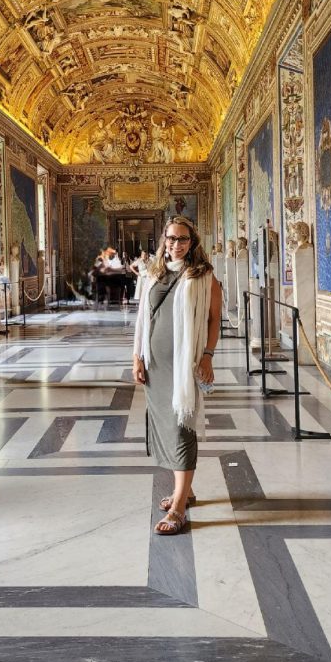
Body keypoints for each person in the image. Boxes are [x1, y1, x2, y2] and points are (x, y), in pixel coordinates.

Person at [132, 217, 222, 535]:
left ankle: (180, 506)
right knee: (167, 427)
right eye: (171, 239)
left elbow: (214, 321)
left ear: (192, 242)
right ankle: (187, 490)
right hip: (155, 364)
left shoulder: (203, 276)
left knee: (182, 425)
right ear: (163, 240)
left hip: (185, 365)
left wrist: (208, 357)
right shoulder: (154, 273)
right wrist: (137, 357)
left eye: (182, 239)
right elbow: (144, 318)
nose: (176, 244)